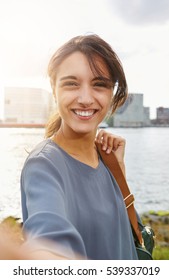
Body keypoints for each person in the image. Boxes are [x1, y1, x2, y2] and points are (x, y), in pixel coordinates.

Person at [19, 34, 138, 260]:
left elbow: (128, 236)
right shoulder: (43, 165)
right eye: (72, 84)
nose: (85, 98)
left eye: (99, 84)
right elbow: (48, 240)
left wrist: (118, 169)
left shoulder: (107, 157)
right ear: (54, 90)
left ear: (111, 93)